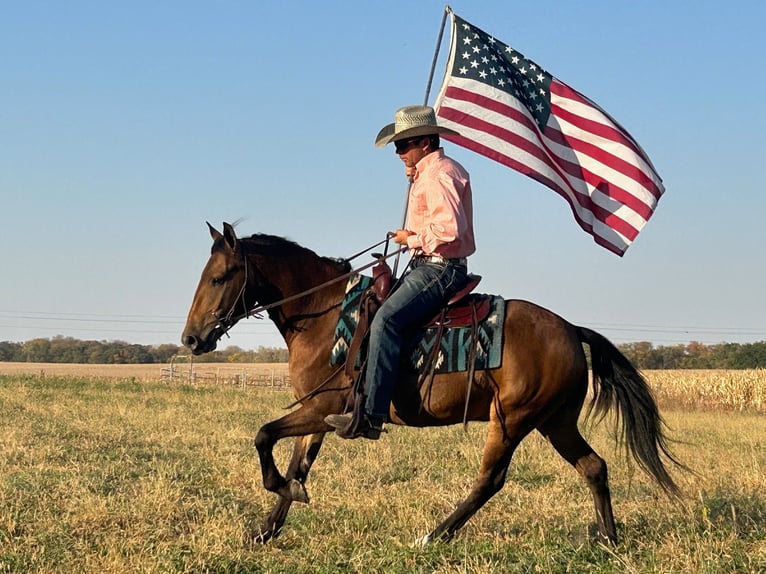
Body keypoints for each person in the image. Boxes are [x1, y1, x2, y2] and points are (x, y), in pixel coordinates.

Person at [325, 105, 476, 440]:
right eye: (396, 146)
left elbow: (450, 230)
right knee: (373, 307)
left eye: (403, 146)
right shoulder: (429, 173)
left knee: (386, 320)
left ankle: (372, 416)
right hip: (428, 264)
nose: (398, 153)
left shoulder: (439, 175)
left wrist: (412, 238)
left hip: (441, 267)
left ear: (424, 142)